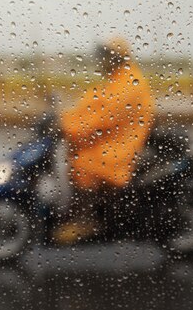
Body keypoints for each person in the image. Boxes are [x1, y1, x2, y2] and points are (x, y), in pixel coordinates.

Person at [55, 36, 155, 244]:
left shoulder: (127, 84)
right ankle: (81, 213)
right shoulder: (118, 79)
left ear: (115, 58)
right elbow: (89, 107)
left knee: (84, 163)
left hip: (122, 145)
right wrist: (62, 118)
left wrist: (65, 127)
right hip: (113, 139)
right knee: (78, 154)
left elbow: (98, 120)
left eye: (103, 56)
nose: (100, 60)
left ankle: (86, 221)